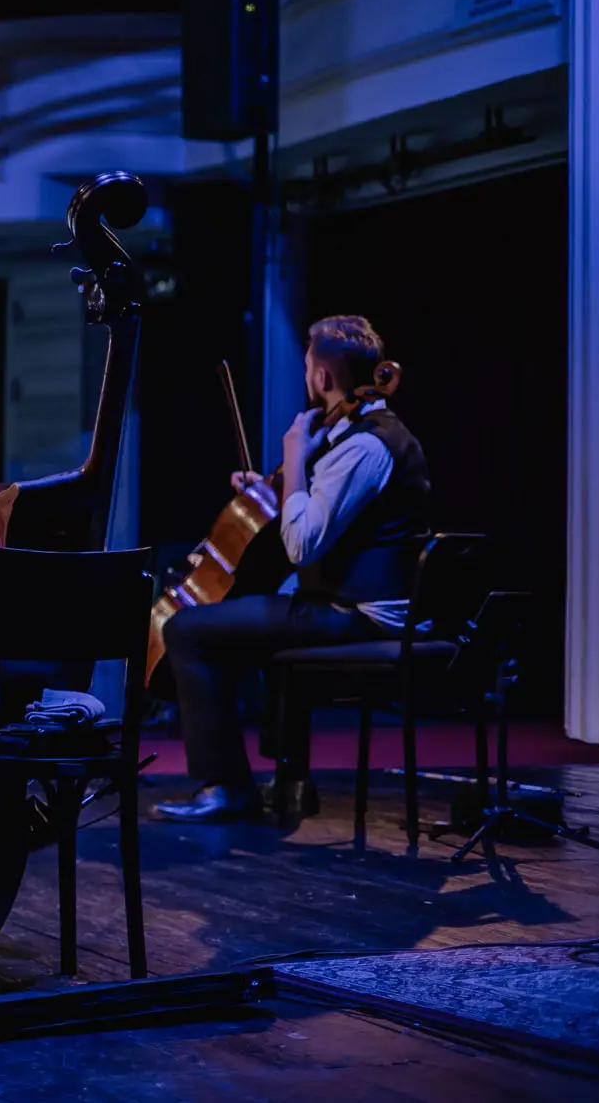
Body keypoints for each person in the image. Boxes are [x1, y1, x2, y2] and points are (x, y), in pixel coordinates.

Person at [155, 315, 431, 824]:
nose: (307, 377)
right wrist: (272, 486)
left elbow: (303, 543)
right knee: (236, 622)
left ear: (323, 378)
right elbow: (323, 516)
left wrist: (294, 459)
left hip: (363, 615)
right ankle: (289, 780)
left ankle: (223, 786)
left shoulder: (366, 447)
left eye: (308, 367)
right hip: (347, 604)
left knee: (187, 630)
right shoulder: (352, 435)